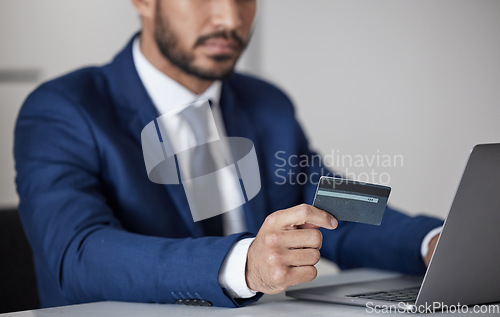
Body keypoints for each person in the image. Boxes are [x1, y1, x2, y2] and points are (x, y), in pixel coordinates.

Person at [14, 0, 443, 308]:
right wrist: (244, 265)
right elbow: (79, 255)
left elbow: (330, 204)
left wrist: (434, 242)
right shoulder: (64, 109)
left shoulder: (267, 103)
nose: (230, 18)